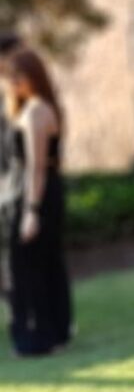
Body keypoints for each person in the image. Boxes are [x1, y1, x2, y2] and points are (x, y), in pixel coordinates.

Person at [0, 46, 72, 355]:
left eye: (19, 77)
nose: (13, 83)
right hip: (28, 195)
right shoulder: (26, 108)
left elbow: (36, 166)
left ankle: (36, 338)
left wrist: (30, 211)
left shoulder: (37, 111)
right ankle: (54, 332)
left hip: (34, 197)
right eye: (10, 77)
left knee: (26, 268)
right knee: (41, 264)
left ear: (34, 76)